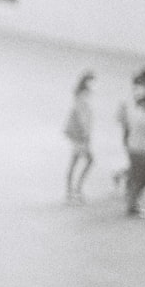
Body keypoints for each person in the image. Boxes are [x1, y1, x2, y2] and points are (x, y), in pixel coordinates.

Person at [114, 67, 145, 187]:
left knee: (136, 164)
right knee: (138, 165)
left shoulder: (138, 93)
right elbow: (124, 115)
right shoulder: (139, 94)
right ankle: (127, 185)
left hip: (134, 133)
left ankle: (123, 180)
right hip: (133, 133)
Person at [121, 92, 145, 217]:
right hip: (139, 151)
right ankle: (132, 204)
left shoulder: (136, 113)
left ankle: (132, 201)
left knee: (141, 176)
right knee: (143, 177)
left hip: (134, 148)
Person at [63, 71, 95, 204]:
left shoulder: (80, 94)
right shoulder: (83, 94)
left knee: (76, 161)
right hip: (80, 135)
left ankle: (72, 191)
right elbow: (81, 116)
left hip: (78, 135)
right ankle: (75, 190)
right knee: (87, 160)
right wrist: (85, 134)